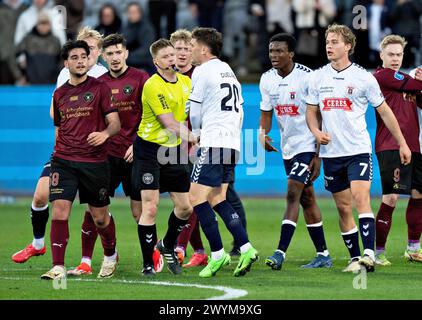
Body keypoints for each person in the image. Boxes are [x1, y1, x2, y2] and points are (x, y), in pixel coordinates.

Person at [306, 24, 412, 273]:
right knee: (343, 207)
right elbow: (311, 112)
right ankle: (356, 258)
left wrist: (402, 143)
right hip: (332, 153)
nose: (329, 46)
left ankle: (368, 253)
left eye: (334, 42)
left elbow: (385, 112)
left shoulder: (364, 78)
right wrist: (315, 132)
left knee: (361, 197)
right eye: (327, 42)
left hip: (358, 150)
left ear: (348, 47)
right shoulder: (317, 77)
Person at [66, 34, 164, 276]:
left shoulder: (142, 79)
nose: (115, 57)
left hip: (136, 154)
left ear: (126, 54)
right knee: (93, 210)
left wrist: (138, 143)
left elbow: (152, 115)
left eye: (118, 52)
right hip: (105, 156)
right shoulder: (97, 84)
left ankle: (153, 254)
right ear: (102, 56)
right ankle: (87, 261)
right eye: (109, 53)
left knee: (138, 211)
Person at [11, 27, 108, 264]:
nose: (86, 53)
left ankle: (95, 258)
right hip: (65, 151)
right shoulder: (66, 74)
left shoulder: (103, 77)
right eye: (82, 48)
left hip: (93, 155)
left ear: (98, 52)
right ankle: (38, 245)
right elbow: (56, 111)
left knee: (97, 213)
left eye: (92, 48)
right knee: (41, 196)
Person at [40, 40, 121, 280]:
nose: (79, 61)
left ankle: (109, 254)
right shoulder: (59, 94)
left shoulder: (100, 88)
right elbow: (59, 128)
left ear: (88, 59)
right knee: (59, 211)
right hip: (64, 160)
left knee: (100, 217)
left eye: (83, 57)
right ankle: (58, 267)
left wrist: (104, 134)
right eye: (74, 57)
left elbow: (115, 123)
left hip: (94, 162)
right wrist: (59, 152)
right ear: (66, 63)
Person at [188, 27, 258, 278]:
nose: (190, 51)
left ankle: (217, 255)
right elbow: (240, 112)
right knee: (218, 198)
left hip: (213, 140)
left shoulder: (202, 71)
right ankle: (246, 248)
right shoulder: (229, 72)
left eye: (193, 46)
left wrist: (196, 135)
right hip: (231, 142)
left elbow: (194, 111)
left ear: (204, 49)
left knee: (196, 198)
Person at [258, 33, 332, 270]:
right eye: (271, 51)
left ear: (291, 53)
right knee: (307, 199)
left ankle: (280, 253)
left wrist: (318, 154)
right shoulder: (267, 79)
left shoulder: (308, 78)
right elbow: (266, 112)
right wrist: (263, 134)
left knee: (292, 193)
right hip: (288, 147)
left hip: (308, 145)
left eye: (279, 51)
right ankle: (323, 255)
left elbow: (319, 115)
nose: (274, 56)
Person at [133, 38, 197, 276]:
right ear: (156, 62)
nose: (173, 59)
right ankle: (148, 263)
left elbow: (195, 111)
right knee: (150, 208)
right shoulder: (152, 85)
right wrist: (194, 137)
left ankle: (167, 244)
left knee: (185, 208)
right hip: (149, 150)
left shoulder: (187, 82)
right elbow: (169, 123)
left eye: (174, 54)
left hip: (173, 150)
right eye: (167, 57)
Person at [373, 36, 422, 266]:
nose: (395, 59)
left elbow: (419, 97)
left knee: (418, 195)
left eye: (399, 55)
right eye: (391, 54)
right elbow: (414, 84)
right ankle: (378, 252)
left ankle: (413, 248)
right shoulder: (382, 76)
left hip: (414, 145)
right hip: (390, 144)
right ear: (381, 55)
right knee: (391, 197)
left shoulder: (407, 80)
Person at [15, 12, 62, 84]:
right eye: (41, 23)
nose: (43, 26)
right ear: (36, 24)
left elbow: (61, 61)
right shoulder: (28, 39)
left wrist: (59, 78)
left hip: (51, 84)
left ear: (50, 25)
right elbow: (14, 55)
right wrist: (20, 75)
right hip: (31, 84)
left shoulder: (55, 41)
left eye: (46, 23)